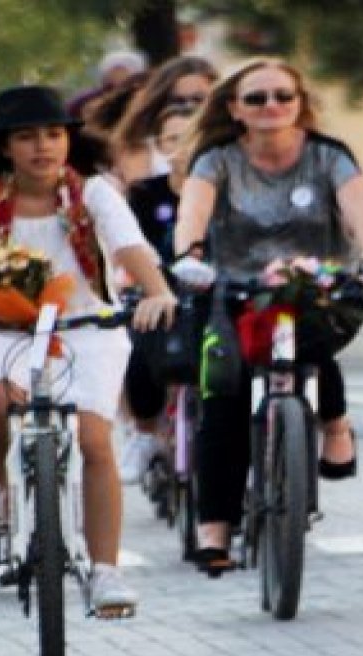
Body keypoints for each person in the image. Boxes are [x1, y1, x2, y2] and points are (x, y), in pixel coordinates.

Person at [0, 85, 177, 614]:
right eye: (27, 137)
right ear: (5, 146)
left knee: (95, 439)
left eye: (54, 135)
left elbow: (129, 245)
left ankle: (105, 573)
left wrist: (158, 290)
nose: (43, 147)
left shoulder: (93, 192)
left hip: (84, 324)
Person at [169, 58, 363, 576]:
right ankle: (215, 526)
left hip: (317, 289)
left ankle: (334, 421)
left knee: (315, 342)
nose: (270, 106)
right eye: (256, 98)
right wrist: (189, 256)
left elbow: (362, 217)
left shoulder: (330, 157)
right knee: (223, 399)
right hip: (235, 291)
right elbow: (193, 216)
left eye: (282, 96)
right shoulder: (217, 160)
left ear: (300, 104)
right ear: (235, 108)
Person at [118, 104, 197, 484]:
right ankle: (145, 431)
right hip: (156, 286)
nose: (183, 147)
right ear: (160, 146)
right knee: (140, 344)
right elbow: (128, 244)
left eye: (192, 136)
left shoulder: (224, 186)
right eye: (172, 139)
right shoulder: (145, 193)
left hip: (212, 288)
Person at [111, 56, 218, 186]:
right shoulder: (139, 146)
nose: (188, 106)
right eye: (177, 101)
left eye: (198, 99)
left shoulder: (231, 141)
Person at [68, 50, 149, 120]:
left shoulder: (141, 98)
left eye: (124, 70)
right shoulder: (87, 98)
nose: (119, 75)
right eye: (115, 70)